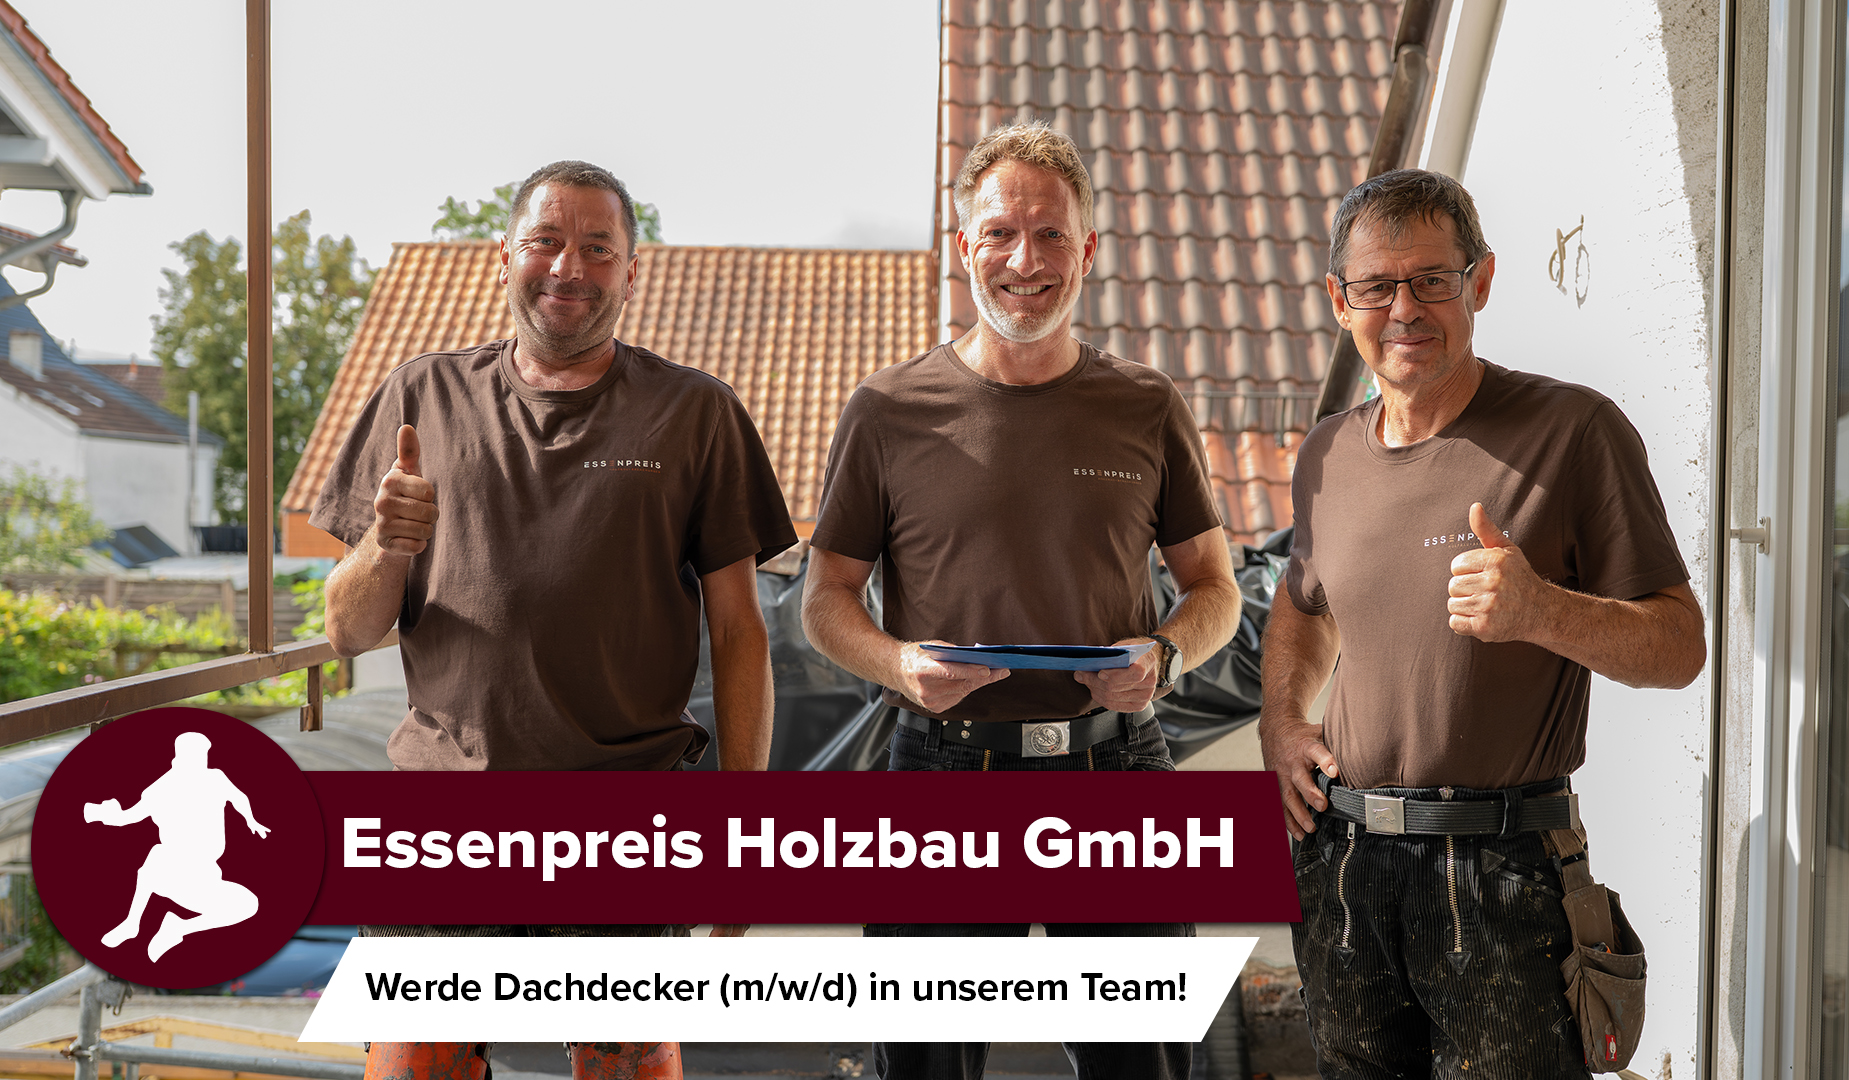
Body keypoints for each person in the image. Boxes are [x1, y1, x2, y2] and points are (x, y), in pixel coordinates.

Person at [311, 160, 796, 1080]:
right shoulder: (421, 397)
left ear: (631, 272)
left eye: (597, 248)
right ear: (505, 257)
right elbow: (346, 630)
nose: (569, 266)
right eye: (545, 241)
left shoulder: (697, 413)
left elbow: (741, 633)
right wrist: (386, 543)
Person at [802, 121, 1244, 1080]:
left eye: (1051, 235)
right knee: (924, 1068)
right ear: (965, 245)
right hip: (942, 774)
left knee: (1146, 1070)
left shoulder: (1146, 404)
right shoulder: (887, 409)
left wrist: (1167, 655)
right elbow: (824, 599)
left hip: (1117, 770)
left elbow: (1216, 588)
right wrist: (898, 665)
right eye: (1001, 233)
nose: (1025, 260)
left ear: (1087, 250)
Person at [1259, 168, 1706, 1079]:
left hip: (1502, 871)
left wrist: (1543, 609)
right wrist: (1281, 721)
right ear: (1341, 302)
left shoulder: (1575, 430)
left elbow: (1679, 647)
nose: (1405, 309)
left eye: (1432, 279)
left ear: (1482, 281)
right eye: (1377, 287)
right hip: (1343, 862)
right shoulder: (1328, 451)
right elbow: (1303, 607)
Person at [87, 731, 270, 962]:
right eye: (197, 755)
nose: (202, 760)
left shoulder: (215, 778)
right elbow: (127, 818)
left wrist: (250, 819)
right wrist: (104, 813)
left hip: (206, 877)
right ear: (181, 756)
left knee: (249, 904)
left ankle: (179, 927)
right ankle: (132, 923)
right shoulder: (160, 789)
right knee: (157, 854)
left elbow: (239, 797)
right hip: (173, 876)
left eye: (204, 755)